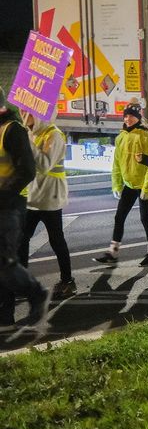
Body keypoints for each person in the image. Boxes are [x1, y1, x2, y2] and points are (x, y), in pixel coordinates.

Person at [0, 87, 49, 326]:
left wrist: (3, 193)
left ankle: (34, 293)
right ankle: (5, 313)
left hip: (8, 206)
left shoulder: (13, 130)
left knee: (4, 263)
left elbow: (28, 170)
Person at [18, 110, 75, 301]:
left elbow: (44, 165)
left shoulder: (54, 135)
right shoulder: (31, 133)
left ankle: (68, 281)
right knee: (22, 238)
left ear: (41, 114)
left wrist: (28, 144)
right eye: (22, 110)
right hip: (34, 195)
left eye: (28, 111)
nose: (24, 114)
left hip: (50, 196)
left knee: (56, 239)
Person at [95, 101, 148, 267]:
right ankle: (113, 252)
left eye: (131, 116)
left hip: (144, 186)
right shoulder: (121, 137)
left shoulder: (147, 137)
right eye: (125, 116)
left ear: (138, 117)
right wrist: (116, 185)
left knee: (145, 219)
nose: (128, 119)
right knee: (119, 217)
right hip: (129, 186)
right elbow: (116, 164)